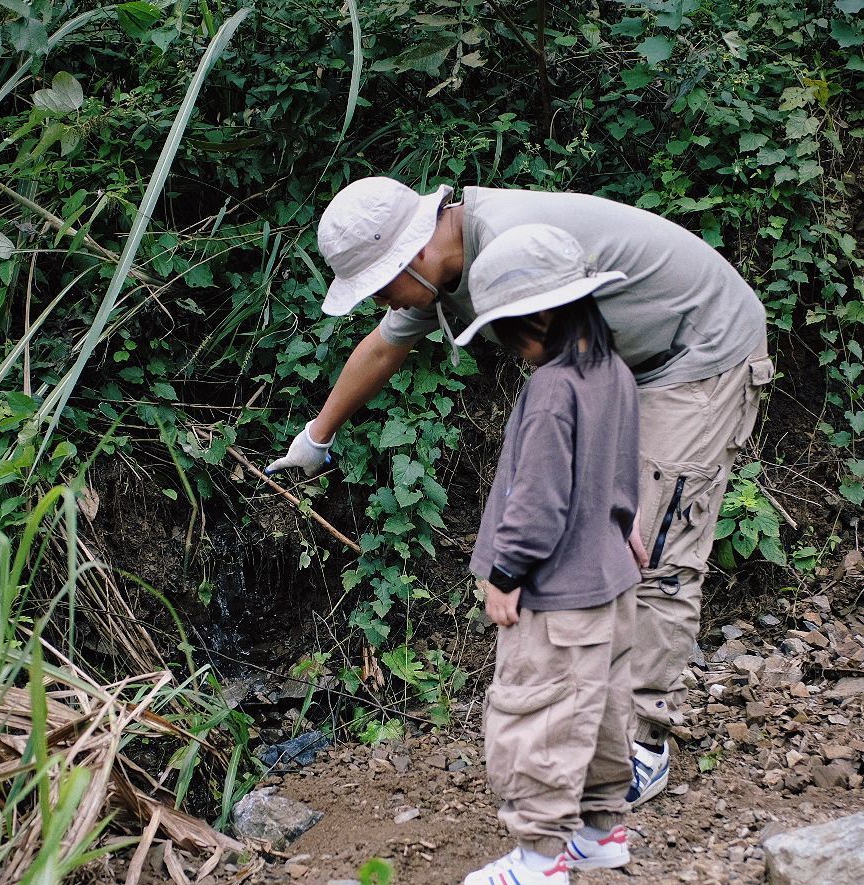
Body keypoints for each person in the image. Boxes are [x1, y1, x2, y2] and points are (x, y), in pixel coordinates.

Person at [266, 178, 774, 807]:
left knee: (655, 554)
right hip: (624, 363)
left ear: (414, 255)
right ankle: (597, 721)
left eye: (380, 285)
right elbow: (385, 345)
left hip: (699, 350)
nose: (379, 301)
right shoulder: (444, 262)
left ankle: (641, 743)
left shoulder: (514, 246)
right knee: (611, 536)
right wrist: (318, 436)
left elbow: (569, 397)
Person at [451, 224, 639, 885]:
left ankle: (538, 858)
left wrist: (505, 574)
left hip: (556, 593)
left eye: (505, 332)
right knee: (600, 707)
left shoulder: (552, 389)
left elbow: (536, 499)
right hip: (611, 582)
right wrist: (628, 532)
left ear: (536, 317)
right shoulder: (613, 373)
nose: (509, 350)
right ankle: (600, 832)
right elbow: (620, 475)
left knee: (539, 713)